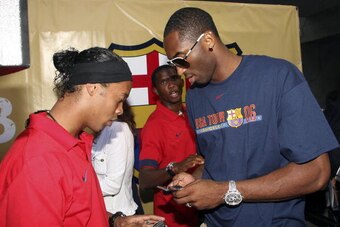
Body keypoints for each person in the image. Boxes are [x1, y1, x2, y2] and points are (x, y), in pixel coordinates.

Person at [162, 7, 340, 226]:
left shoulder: (278, 77)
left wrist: (227, 191)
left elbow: (317, 172)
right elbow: (216, 160)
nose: (179, 72)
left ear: (208, 40)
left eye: (181, 59)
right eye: (173, 64)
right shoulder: (194, 98)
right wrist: (195, 180)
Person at [0, 47, 164, 227]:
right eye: (119, 99)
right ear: (92, 88)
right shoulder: (37, 160)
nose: (119, 111)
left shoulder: (75, 143)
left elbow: (76, 209)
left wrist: (116, 221)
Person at [139, 65, 204, 227]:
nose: (171, 84)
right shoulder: (154, 126)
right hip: (173, 217)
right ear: (155, 90)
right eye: (164, 81)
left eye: (174, 78)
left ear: (182, 82)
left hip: (198, 208)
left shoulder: (192, 112)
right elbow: (145, 180)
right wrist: (175, 167)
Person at [91, 101, 139, 220]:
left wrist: (78, 190)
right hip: (100, 213)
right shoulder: (100, 129)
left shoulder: (118, 130)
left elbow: (112, 185)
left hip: (117, 216)